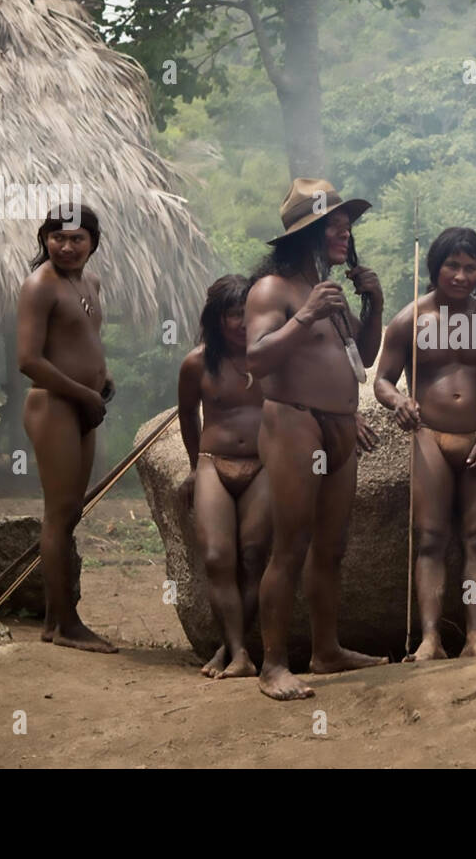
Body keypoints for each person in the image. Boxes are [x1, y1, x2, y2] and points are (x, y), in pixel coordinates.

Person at [245, 178, 388, 700]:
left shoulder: (327, 294)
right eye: (335, 226)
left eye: (347, 226)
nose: (345, 234)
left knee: (331, 547)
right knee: (291, 546)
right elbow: (257, 358)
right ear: (306, 234)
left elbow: (365, 359)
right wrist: (305, 316)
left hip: (340, 424)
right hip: (294, 422)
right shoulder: (272, 292)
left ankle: (326, 651)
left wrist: (372, 303)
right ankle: (273, 666)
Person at [374, 227, 476, 661]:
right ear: (435, 268)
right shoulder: (409, 319)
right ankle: (430, 639)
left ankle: (475, 638)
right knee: (431, 538)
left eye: (471, 267)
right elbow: (381, 379)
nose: (460, 275)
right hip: (429, 437)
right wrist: (399, 401)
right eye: (452, 265)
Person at [17, 203, 116, 653]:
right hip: (54, 404)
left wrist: (103, 376)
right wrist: (84, 393)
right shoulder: (40, 286)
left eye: (77, 238)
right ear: (45, 240)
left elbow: (85, 339)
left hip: (83, 405)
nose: (67, 246)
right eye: (58, 237)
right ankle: (67, 623)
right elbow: (29, 360)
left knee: (72, 512)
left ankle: (56, 619)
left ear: (93, 242)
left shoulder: (89, 282)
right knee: (59, 514)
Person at [178, 274, 271, 679]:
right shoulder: (196, 362)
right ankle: (239, 653)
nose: (242, 322)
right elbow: (187, 417)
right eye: (233, 314)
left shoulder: (270, 357)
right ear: (217, 318)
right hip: (213, 461)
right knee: (218, 557)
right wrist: (195, 467)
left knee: (253, 558)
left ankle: (232, 651)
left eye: (247, 313)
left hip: (264, 464)